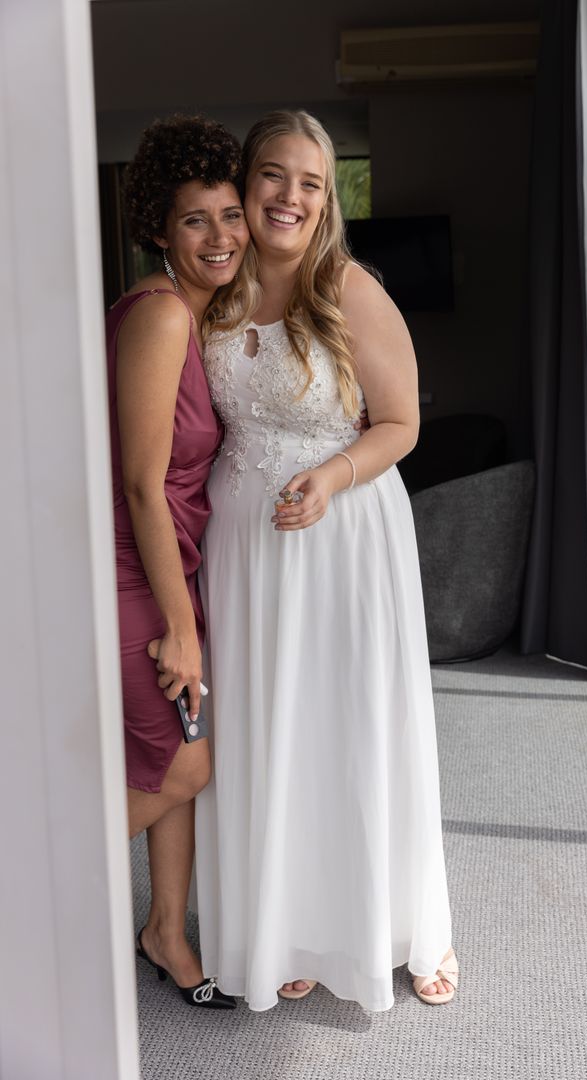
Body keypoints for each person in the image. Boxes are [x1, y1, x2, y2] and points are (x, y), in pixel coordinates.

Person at [195, 109, 458, 1011]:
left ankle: (400, 921)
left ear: (329, 196)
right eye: (275, 175)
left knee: (352, 727)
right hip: (242, 554)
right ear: (246, 178)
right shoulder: (215, 292)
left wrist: (332, 474)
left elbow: (402, 424)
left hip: (342, 536)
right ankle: (294, 922)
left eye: (311, 182)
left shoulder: (348, 287)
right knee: (274, 733)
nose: (291, 197)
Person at [107, 114, 254, 1008]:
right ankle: (37, 898)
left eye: (231, 214)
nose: (221, 236)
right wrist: (178, 626)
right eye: (195, 219)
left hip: (173, 570)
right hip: (133, 577)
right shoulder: (160, 315)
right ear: (160, 229)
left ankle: (164, 930)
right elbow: (139, 485)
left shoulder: (199, 317)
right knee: (184, 765)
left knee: (178, 759)